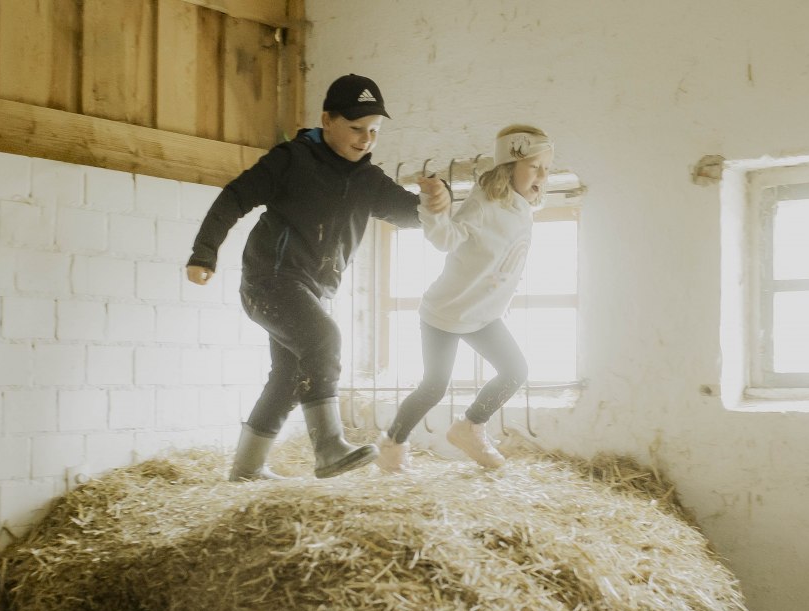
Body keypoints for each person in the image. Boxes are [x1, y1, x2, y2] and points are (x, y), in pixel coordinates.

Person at [185, 74, 451, 481]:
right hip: (269, 281)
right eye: (356, 128)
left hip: (312, 290)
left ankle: (245, 471)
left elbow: (411, 214)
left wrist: (438, 199)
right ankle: (328, 448)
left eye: (374, 132)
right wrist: (204, 252)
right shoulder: (292, 160)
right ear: (327, 120)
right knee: (324, 339)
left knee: (290, 377)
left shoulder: (367, 181)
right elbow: (234, 197)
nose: (365, 140)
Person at [376, 125, 553, 472]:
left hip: (483, 316)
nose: (542, 177)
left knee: (515, 370)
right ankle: (392, 445)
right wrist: (433, 205)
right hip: (445, 314)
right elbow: (445, 238)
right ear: (508, 167)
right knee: (433, 388)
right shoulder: (484, 203)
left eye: (546, 168)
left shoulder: (523, 207)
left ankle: (469, 428)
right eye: (534, 167)